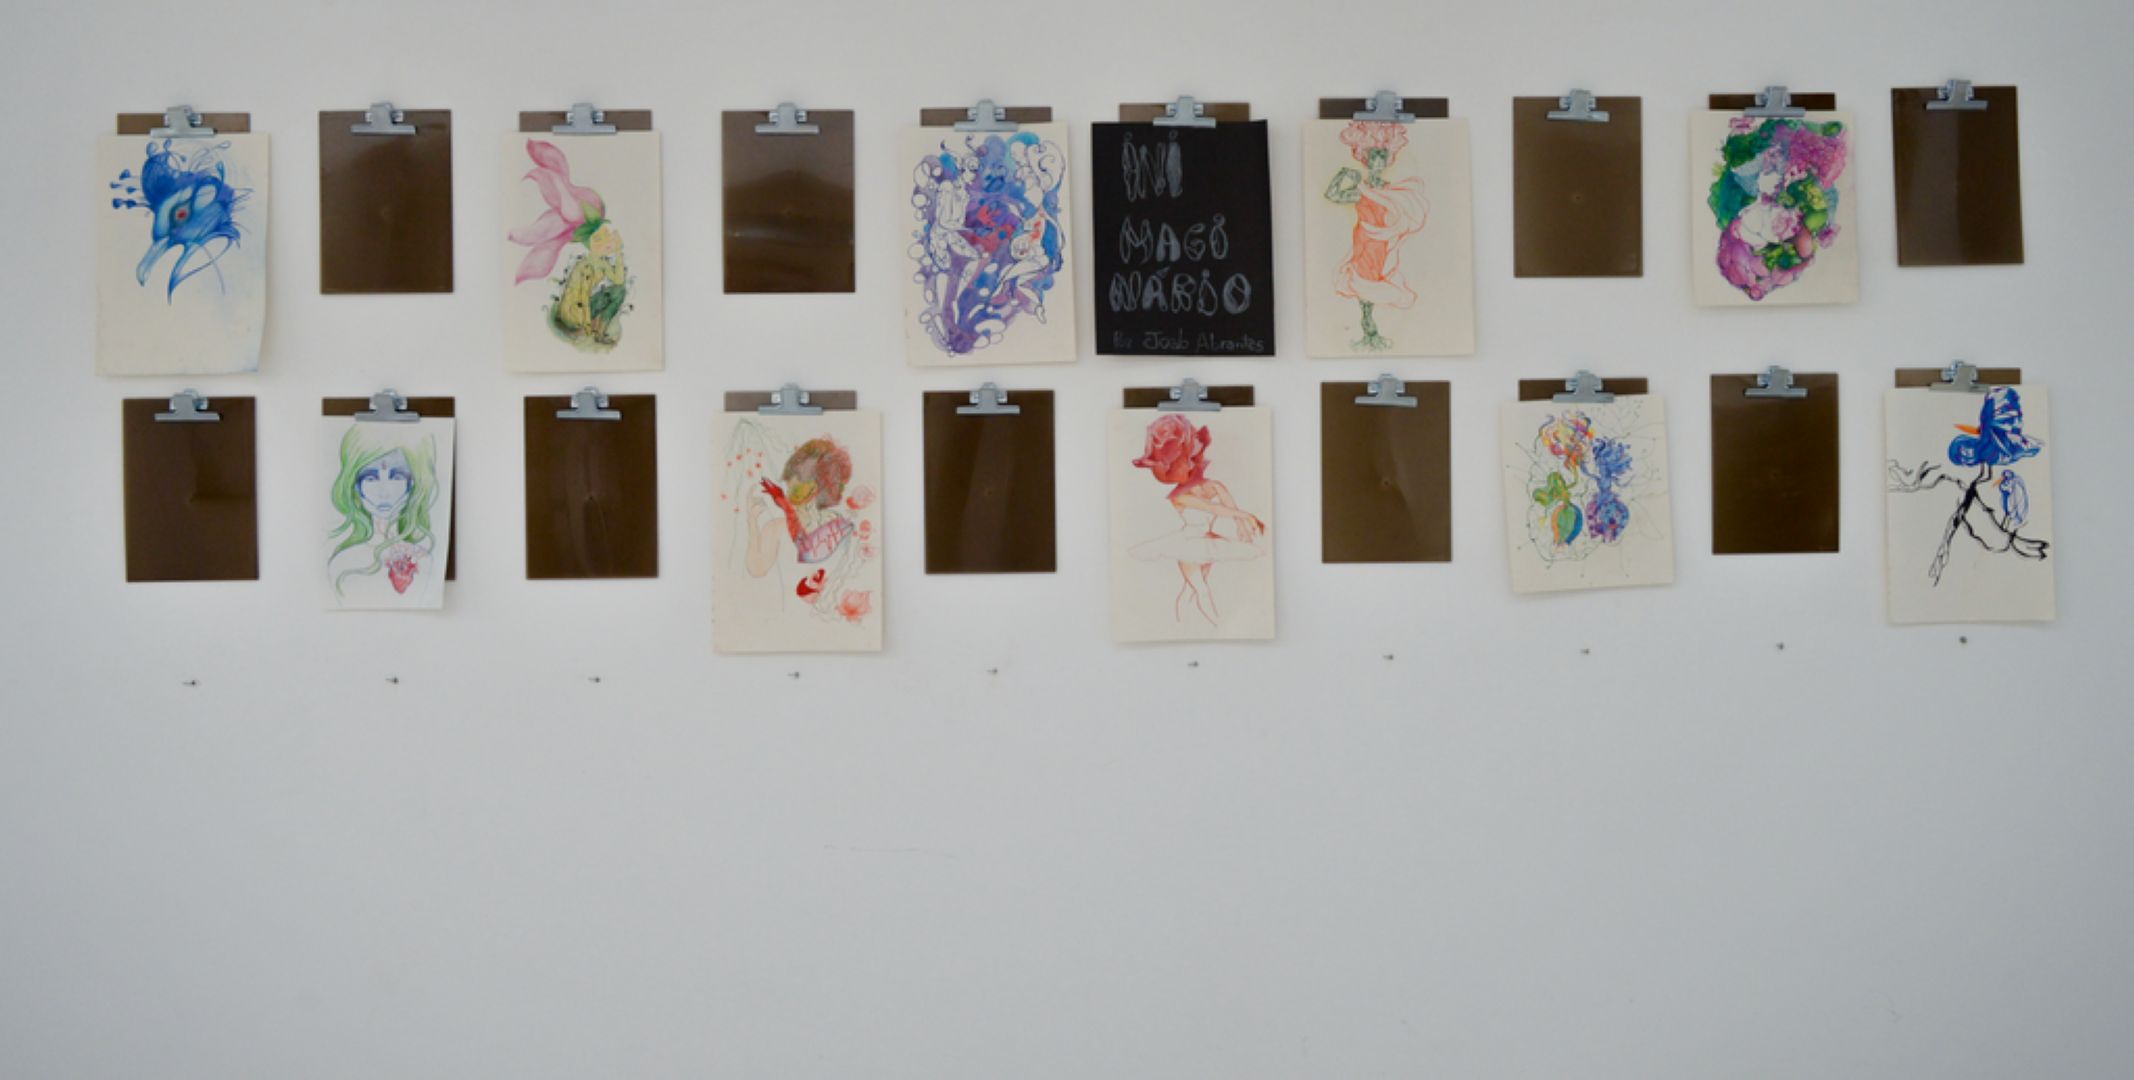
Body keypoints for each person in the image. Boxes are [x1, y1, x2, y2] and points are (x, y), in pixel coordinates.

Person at [1128, 415, 1266, 626]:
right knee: (1200, 590)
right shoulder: (1179, 497)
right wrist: (1246, 516)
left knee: (1189, 591)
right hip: (1188, 544)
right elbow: (1213, 508)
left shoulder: (1214, 486)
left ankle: (1180, 626)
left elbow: (1230, 507)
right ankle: (1218, 625)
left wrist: (1241, 524)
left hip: (1206, 541)